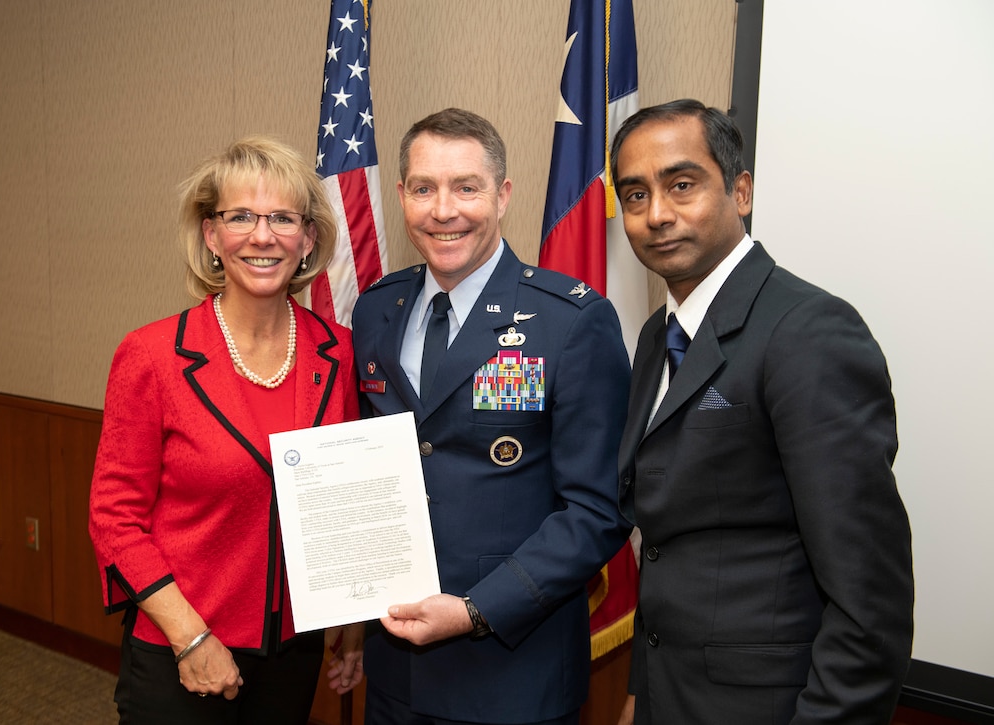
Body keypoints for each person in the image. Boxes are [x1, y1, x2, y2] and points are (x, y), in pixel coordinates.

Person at [610, 99, 913, 725]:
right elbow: (670, 546)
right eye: (635, 196)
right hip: (670, 696)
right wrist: (642, 690)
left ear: (740, 191)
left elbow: (870, 599)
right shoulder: (653, 337)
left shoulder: (809, 332)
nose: (657, 214)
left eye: (682, 185)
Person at [350, 107, 632, 725]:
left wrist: (476, 609)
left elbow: (597, 510)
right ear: (401, 196)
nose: (443, 210)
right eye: (424, 188)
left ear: (503, 195)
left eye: (466, 187)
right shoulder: (376, 312)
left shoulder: (571, 321)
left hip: (513, 671)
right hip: (395, 669)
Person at [88, 136, 364, 724]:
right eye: (241, 216)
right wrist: (191, 639)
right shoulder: (152, 355)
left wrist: (355, 625)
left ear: (308, 238)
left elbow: (345, 502)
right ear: (212, 235)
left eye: (283, 219)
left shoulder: (338, 354)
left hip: (292, 651)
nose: (261, 237)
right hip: (178, 648)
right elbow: (114, 518)